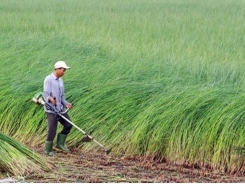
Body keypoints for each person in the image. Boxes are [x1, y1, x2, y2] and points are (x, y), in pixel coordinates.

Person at [43, 61, 73, 156]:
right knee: (52, 129)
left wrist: (66, 104)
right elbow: (45, 94)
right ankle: (48, 150)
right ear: (58, 69)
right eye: (63, 70)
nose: (64, 72)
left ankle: (60, 144)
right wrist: (50, 99)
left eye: (65, 70)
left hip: (60, 109)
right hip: (51, 109)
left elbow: (62, 96)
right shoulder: (49, 79)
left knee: (68, 124)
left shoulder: (60, 81)